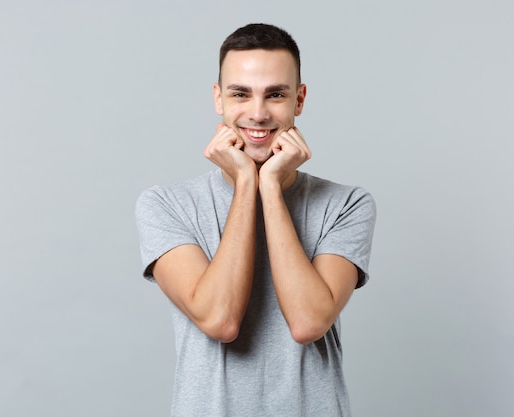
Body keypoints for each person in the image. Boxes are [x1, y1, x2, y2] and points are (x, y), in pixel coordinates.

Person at [135, 23, 376, 417]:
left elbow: (308, 321)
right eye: (241, 94)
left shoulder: (347, 204)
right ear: (219, 99)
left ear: (299, 100)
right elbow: (219, 319)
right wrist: (248, 181)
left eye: (276, 94)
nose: (259, 113)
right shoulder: (166, 205)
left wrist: (270, 190)